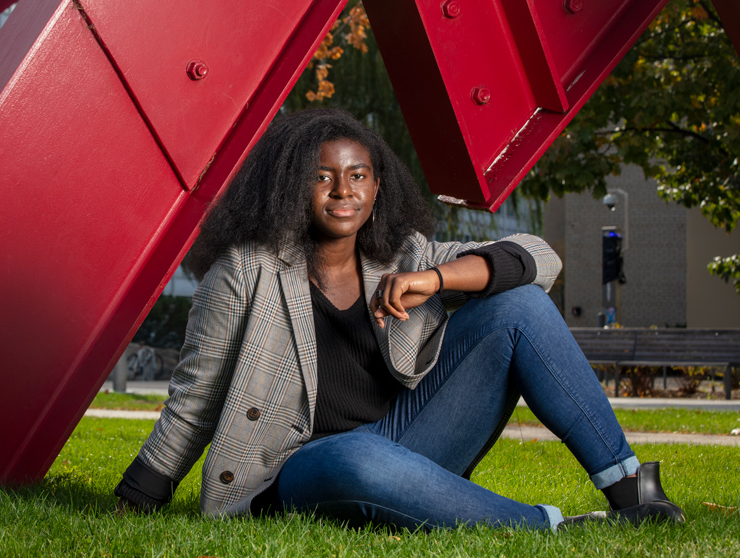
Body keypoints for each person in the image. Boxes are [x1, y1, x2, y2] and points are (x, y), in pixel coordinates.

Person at [113, 108, 683, 531]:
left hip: (404, 447)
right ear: (294, 186)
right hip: (302, 470)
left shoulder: (402, 256)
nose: (343, 192)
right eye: (322, 177)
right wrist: (141, 493)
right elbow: (196, 395)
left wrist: (435, 280)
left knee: (521, 305)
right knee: (350, 454)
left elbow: (542, 260)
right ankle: (553, 527)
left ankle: (631, 490)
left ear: (378, 185)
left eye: (358, 175)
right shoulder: (246, 272)